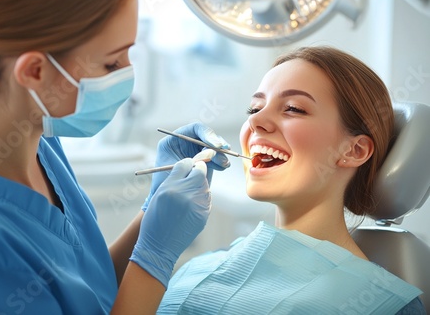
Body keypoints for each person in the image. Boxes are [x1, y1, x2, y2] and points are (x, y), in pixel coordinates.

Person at [0, 0, 231, 314]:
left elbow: (91, 291)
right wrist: (156, 256)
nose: (127, 75)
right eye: (111, 62)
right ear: (34, 71)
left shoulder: (41, 145)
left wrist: (153, 213)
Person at [157, 46, 426, 314]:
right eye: (254, 108)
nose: (256, 121)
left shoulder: (379, 305)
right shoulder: (201, 266)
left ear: (354, 151)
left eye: (294, 109)